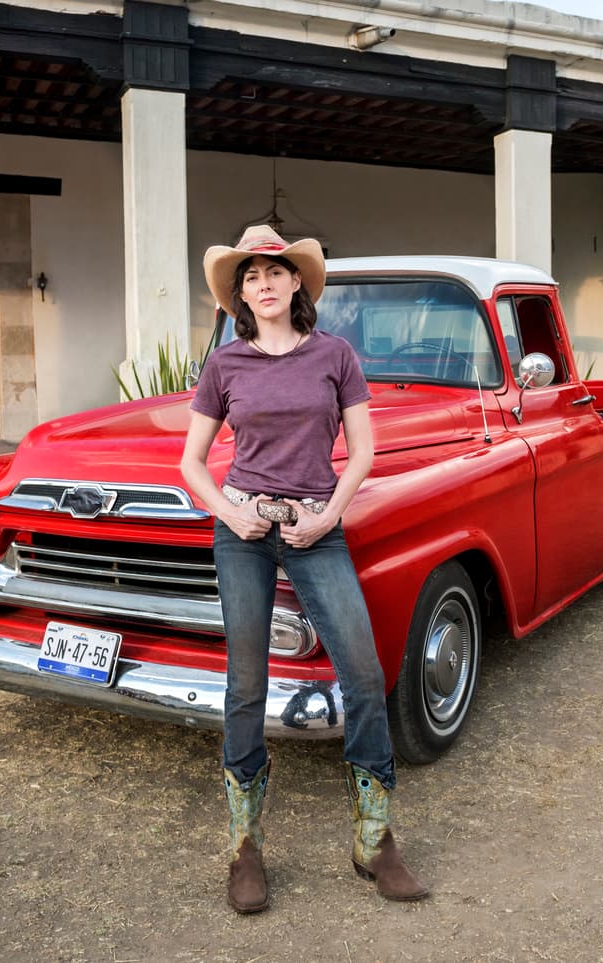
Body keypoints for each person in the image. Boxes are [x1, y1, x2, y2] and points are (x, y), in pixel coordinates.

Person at [180, 224, 429, 913]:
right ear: (242, 294)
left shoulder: (335, 354)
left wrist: (328, 514)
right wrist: (229, 516)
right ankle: (244, 847)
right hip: (243, 530)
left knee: (364, 670)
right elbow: (191, 463)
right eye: (250, 276)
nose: (262, 283)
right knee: (245, 681)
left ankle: (375, 841)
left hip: (316, 527)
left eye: (274, 272)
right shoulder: (226, 365)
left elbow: (364, 449)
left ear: (297, 283)